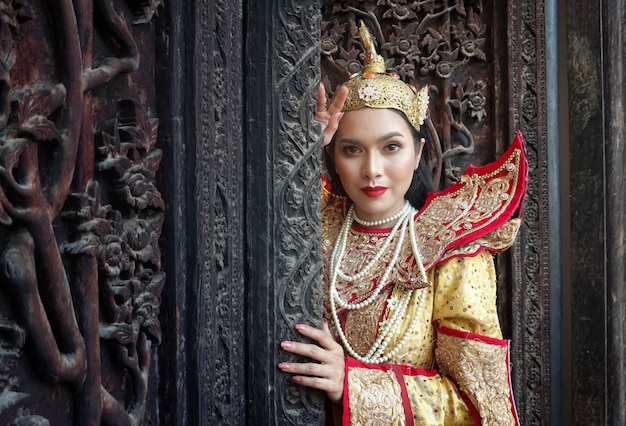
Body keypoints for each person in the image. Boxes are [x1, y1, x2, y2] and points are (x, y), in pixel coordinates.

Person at [279, 21, 527, 425]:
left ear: (418, 153)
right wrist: (304, 147)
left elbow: (480, 407)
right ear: (333, 157)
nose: (372, 170)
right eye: (352, 150)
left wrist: (353, 384)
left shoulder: (450, 250)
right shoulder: (309, 222)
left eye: (391, 147)